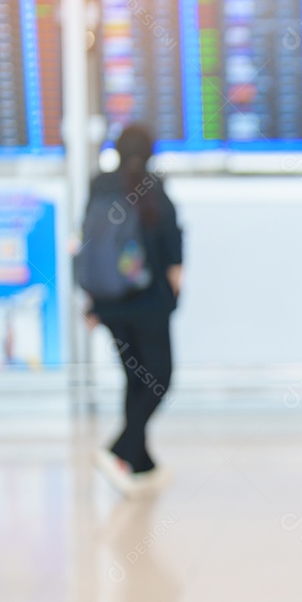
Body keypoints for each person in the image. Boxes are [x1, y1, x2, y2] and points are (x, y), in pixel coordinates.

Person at [88, 124, 183, 497]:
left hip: (110, 304)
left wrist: (92, 301)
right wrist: (173, 295)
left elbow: (90, 244)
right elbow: (172, 249)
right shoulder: (154, 189)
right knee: (159, 378)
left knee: (136, 379)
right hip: (148, 303)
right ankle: (119, 450)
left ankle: (141, 465)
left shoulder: (99, 185)